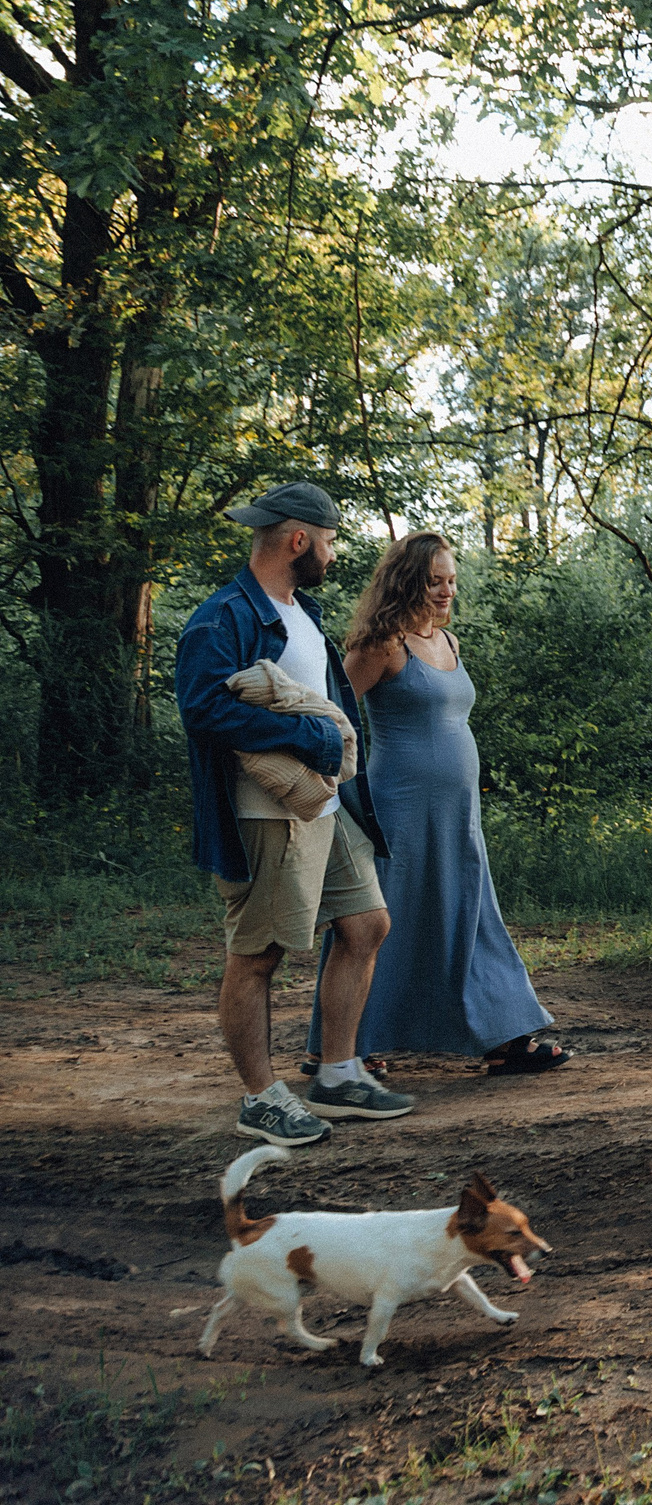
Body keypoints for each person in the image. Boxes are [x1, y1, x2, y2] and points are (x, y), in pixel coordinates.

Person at [175, 482, 417, 1145]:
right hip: (266, 811)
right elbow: (202, 708)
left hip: (326, 803)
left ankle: (338, 1074)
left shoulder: (299, 610)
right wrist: (306, 740)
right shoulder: (222, 616)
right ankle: (259, 1097)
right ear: (299, 539)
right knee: (258, 952)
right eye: (332, 541)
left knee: (366, 923)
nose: (336, 554)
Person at [310, 531, 570, 1075]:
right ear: (408, 582)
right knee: (381, 917)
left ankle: (501, 1034)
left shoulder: (448, 644)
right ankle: (339, 1047)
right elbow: (329, 717)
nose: (446, 591)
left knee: (470, 911)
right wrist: (325, 789)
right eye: (435, 582)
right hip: (399, 806)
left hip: (456, 812)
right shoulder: (382, 645)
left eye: (451, 580)